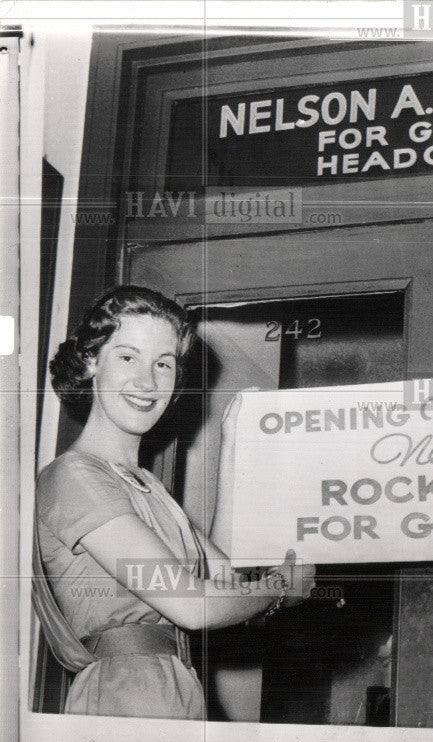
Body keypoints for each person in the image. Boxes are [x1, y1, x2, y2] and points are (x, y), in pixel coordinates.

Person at [33, 285, 315, 719]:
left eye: (163, 364)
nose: (147, 382)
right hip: (126, 691)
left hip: (175, 684)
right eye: (128, 357)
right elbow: (193, 606)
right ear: (91, 362)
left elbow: (225, 581)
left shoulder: (145, 485)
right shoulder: (75, 476)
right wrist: (278, 589)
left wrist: (234, 441)